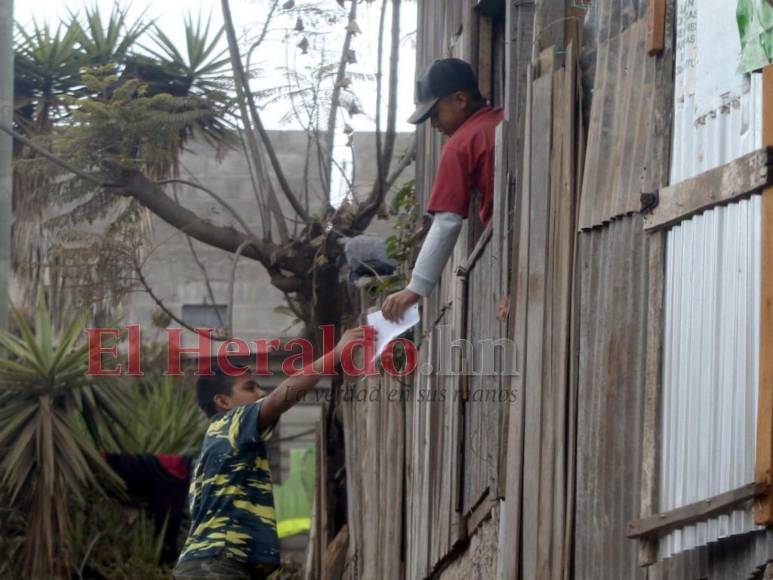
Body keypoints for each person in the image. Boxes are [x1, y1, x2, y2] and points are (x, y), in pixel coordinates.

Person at [172, 326, 369, 580]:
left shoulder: (215, 448)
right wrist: (336, 353)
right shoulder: (231, 423)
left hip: (212, 566)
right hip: (218, 565)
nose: (260, 393)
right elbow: (279, 398)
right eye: (250, 387)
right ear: (223, 402)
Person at [381, 58, 504, 322]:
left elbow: (446, 222)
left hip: (509, 247)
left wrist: (415, 287)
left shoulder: (460, 144)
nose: (433, 124)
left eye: (435, 114)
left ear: (460, 100)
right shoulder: (502, 119)